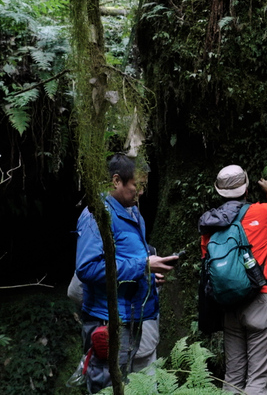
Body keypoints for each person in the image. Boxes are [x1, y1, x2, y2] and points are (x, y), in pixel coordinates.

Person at [74, 154, 178, 393]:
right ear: (116, 181)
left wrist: (149, 276)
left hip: (134, 317)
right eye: (137, 186)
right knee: (107, 388)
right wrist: (143, 265)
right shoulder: (96, 216)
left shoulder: (131, 212)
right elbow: (87, 268)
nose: (141, 192)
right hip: (109, 321)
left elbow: (123, 260)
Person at [198, 165, 267, 395]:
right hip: (261, 301)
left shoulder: (210, 225)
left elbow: (206, 262)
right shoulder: (262, 213)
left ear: (219, 192)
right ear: (247, 188)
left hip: (229, 308)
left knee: (232, 379)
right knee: (257, 383)